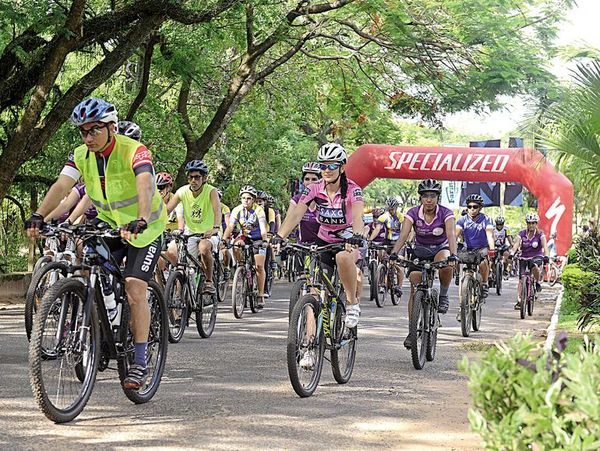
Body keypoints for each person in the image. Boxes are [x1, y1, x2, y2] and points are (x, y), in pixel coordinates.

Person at [25, 97, 167, 390]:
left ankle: (139, 360)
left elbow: (144, 184)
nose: (88, 137)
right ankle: (100, 323)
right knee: (86, 267)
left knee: (134, 287)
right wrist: (40, 215)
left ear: (112, 127)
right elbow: (63, 188)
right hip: (111, 222)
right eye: (83, 131)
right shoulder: (80, 155)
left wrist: (140, 219)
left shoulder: (135, 151)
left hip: (146, 226)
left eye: (94, 130)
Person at [273, 142, 365, 331]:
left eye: (332, 165)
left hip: (347, 239)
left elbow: (357, 216)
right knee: (314, 292)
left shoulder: (353, 190)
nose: (327, 170)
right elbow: (296, 214)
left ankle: (351, 303)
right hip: (323, 239)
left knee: (342, 257)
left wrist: (356, 236)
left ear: (342, 166)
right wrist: (279, 236)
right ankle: (309, 344)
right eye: (323, 165)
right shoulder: (314, 188)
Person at [390, 179, 457, 348]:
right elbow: (404, 235)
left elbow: (451, 235)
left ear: (437, 197)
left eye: (432, 196)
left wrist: (454, 255)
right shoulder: (412, 213)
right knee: (415, 286)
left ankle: (443, 295)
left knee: (445, 262)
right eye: (425, 196)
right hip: (420, 251)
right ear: (420, 198)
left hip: (440, 249)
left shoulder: (446, 213)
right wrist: (393, 254)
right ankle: (413, 330)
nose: (429, 199)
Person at [166, 160, 221, 294]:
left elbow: (217, 210)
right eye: (190, 177)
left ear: (204, 178)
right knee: (172, 251)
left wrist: (214, 228)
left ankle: (208, 281)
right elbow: (166, 211)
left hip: (208, 233)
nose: (193, 181)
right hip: (190, 233)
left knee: (203, 248)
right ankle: (181, 282)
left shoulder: (211, 191)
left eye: (197, 177)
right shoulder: (182, 191)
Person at [222, 185, 269, 307]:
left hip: (258, 238)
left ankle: (260, 294)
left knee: (259, 266)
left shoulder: (259, 210)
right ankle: (241, 267)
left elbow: (263, 228)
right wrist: (224, 239)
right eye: (243, 198)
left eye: (248, 198)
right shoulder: (237, 210)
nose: (245, 201)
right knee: (236, 244)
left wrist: (264, 241)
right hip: (245, 237)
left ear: (253, 200)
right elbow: (230, 227)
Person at [455, 194, 495, 298]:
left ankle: (485, 283)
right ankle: (459, 277)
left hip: (482, 248)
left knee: (483, 263)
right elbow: (455, 235)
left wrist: (492, 249)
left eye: (475, 207)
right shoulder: (462, 220)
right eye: (469, 207)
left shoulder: (486, 219)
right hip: (468, 248)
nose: (472, 209)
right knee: (455, 256)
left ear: (480, 208)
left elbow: (489, 235)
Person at [510, 213, 549, 309]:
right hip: (524, 257)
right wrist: (512, 253)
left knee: (534, 266)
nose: (531, 225)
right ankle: (520, 300)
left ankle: (537, 282)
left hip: (536, 256)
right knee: (521, 279)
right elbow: (516, 244)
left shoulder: (540, 234)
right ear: (526, 223)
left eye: (533, 223)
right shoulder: (522, 233)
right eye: (529, 223)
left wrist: (546, 256)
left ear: (536, 224)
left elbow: (545, 246)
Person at [369, 197, 404, 298]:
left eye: (392, 209)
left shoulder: (401, 217)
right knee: (382, 256)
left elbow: (405, 231)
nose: (391, 210)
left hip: (398, 241)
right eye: (389, 208)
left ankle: (399, 286)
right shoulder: (383, 217)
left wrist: (406, 241)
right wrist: (370, 240)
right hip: (387, 241)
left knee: (398, 263)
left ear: (396, 208)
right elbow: (377, 229)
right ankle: (381, 280)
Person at [285, 162, 321, 244]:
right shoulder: (297, 199)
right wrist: (281, 237)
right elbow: (289, 220)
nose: (310, 182)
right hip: (304, 246)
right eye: (307, 179)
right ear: (303, 181)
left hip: (324, 247)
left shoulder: (328, 199)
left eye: (314, 179)